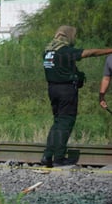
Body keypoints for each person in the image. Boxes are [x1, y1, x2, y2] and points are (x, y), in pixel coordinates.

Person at [41, 25, 112, 167]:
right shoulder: (65, 51)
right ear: (68, 36)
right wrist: (109, 50)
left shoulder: (48, 51)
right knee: (66, 122)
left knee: (58, 122)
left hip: (52, 89)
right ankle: (59, 158)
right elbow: (89, 53)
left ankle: (47, 156)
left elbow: (61, 68)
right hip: (66, 90)